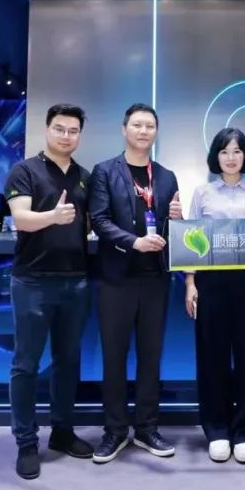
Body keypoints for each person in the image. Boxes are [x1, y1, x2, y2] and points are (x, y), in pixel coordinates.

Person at [88, 103, 183, 463]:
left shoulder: (167, 176)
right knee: (114, 356)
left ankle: (146, 428)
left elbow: (172, 229)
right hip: (117, 278)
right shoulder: (104, 171)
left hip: (156, 278)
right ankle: (114, 431)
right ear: (124, 129)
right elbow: (99, 220)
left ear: (156, 132)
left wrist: (176, 218)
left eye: (150, 126)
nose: (144, 131)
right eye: (137, 125)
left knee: (151, 356)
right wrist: (134, 242)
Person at [4, 103, 94, 481]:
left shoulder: (85, 177)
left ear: (79, 135)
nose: (66, 136)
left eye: (73, 131)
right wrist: (52, 217)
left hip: (76, 281)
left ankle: (62, 431)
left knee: (67, 362)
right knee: (26, 364)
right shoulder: (25, 170)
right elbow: (21, 219)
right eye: (60, 129)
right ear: (47, 130)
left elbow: (95, 223)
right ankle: (26, 442)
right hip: (32, 282)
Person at [183, 128, 245, 464]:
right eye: (224, 151)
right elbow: (190, 239)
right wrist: (190, 283)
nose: (231, 157)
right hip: (211, 283)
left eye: (236, 151)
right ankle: (216, 429)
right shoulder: (203, 193)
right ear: (215, 157)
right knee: (212, 357)